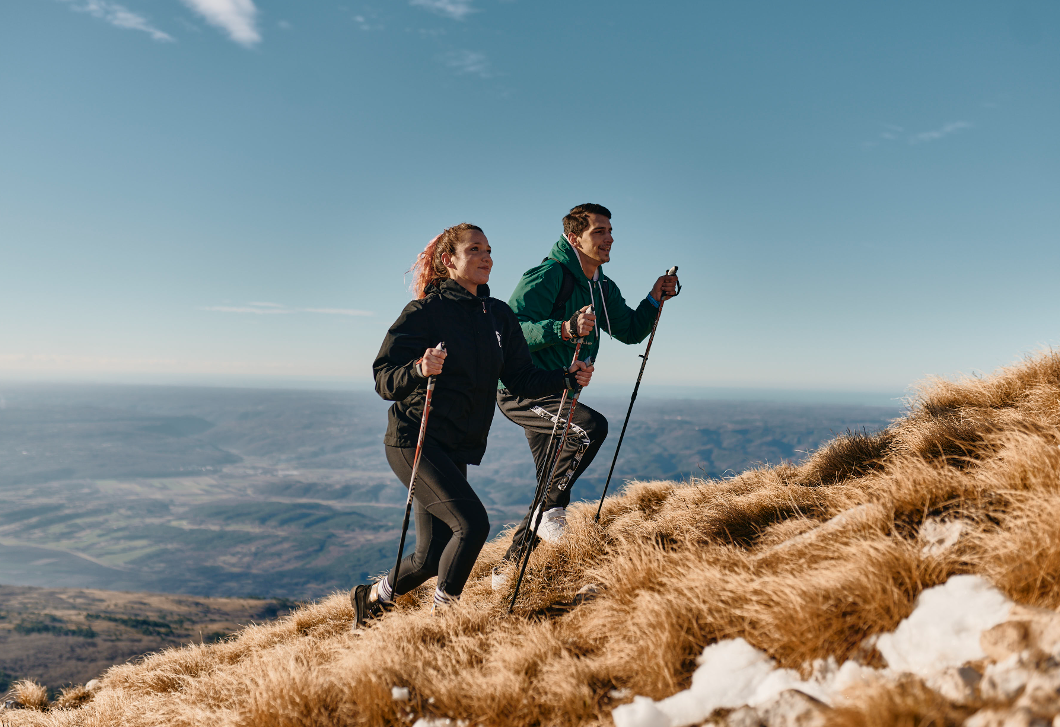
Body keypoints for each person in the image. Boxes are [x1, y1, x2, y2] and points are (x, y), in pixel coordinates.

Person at [351, 222, 594, 626]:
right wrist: (418, 368)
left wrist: (565, 378)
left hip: (455, 447)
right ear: (449, 261)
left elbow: (520, 379)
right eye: (475, 250)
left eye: (489, 250)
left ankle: (373, 597)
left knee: (430, 557)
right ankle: (444, 621)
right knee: (472, 523)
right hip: (414, 439)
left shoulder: (498, 315)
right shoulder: (425, 313)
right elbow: (383, 378)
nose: (487, 257)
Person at [494, 203, 679, 580]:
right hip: (522, 390)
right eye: (599, 231)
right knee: (590, 428)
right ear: (574, 236)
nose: (609, 238)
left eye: (610, 231)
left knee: (550, 475)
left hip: (560, 392)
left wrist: (654, 298)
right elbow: (509, 330)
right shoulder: (549, 275)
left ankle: (507, 570)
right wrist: (563, 329)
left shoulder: (601, 286)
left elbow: (628, 330)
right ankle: (550, 514)